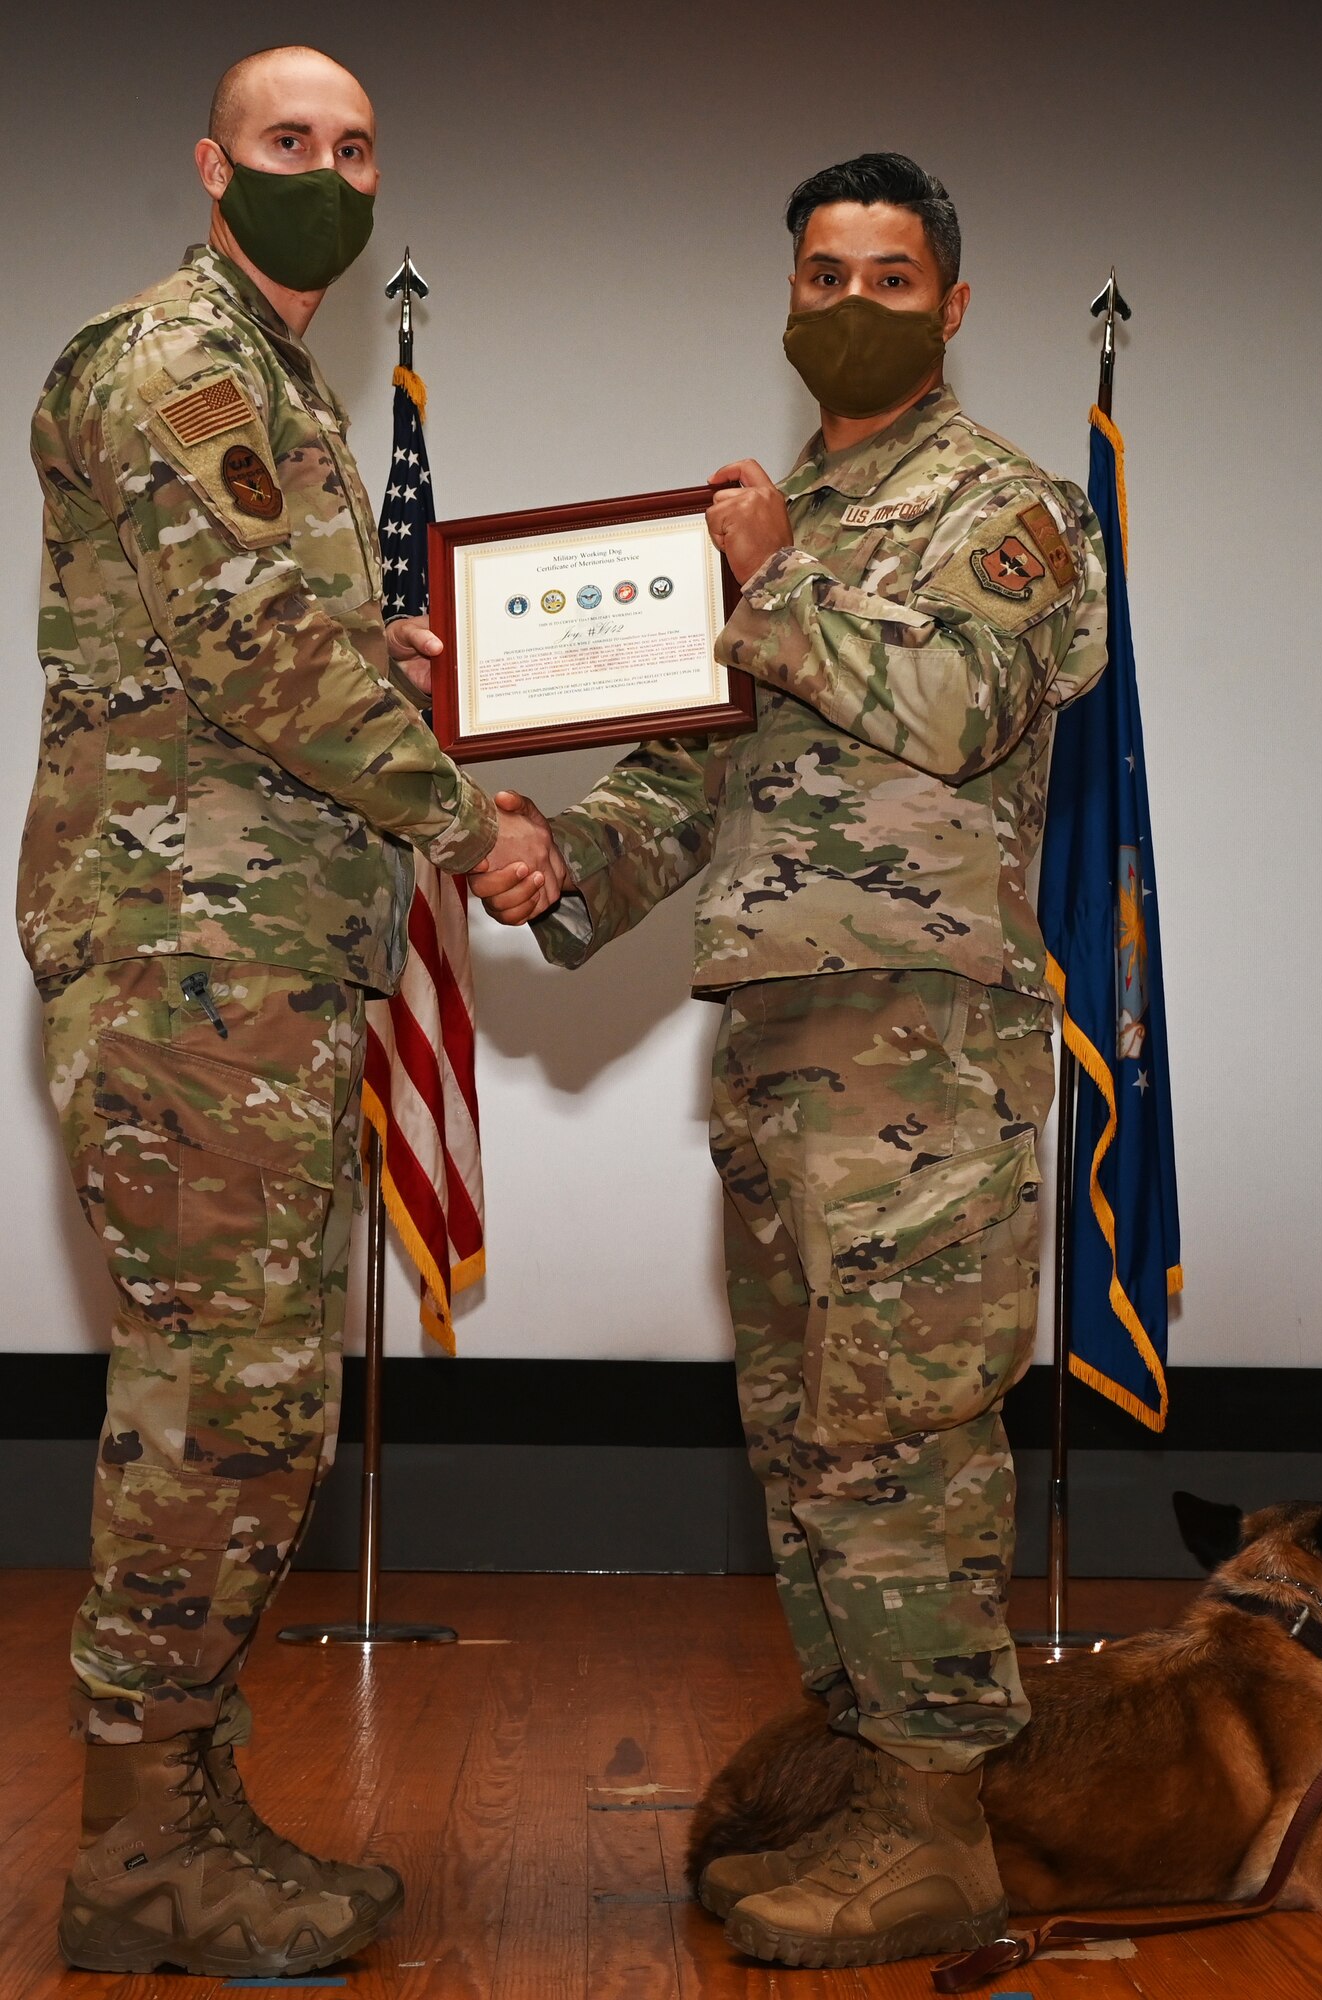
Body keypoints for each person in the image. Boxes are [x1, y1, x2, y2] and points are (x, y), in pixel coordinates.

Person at [471, 152, 1109, 1968]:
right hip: (774, 1046)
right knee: (809, 1443)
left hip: (925, 1051)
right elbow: (689, 772)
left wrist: (765, 584)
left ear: (954, 306)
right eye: (821, 270)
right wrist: (551, 866)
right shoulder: (783, 521)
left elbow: (965, 704)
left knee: (904, 1438)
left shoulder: (1006, 507)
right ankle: (866, 1781)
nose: (847, 302)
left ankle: (943, 1838)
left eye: (889, 277)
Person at [23, 44, 548, 1978]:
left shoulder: (278, 385)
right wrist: (465, 809)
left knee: (249, 1407)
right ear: (211, 164)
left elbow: (272, 641)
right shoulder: (177, 363)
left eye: (354, 147)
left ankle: (183, 1805)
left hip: (250, 962)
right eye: (286, 144)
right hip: (191, 958)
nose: (325, 172)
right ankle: (138, 1853)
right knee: (217, 1409)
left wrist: (401, 653)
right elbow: (259, 660)